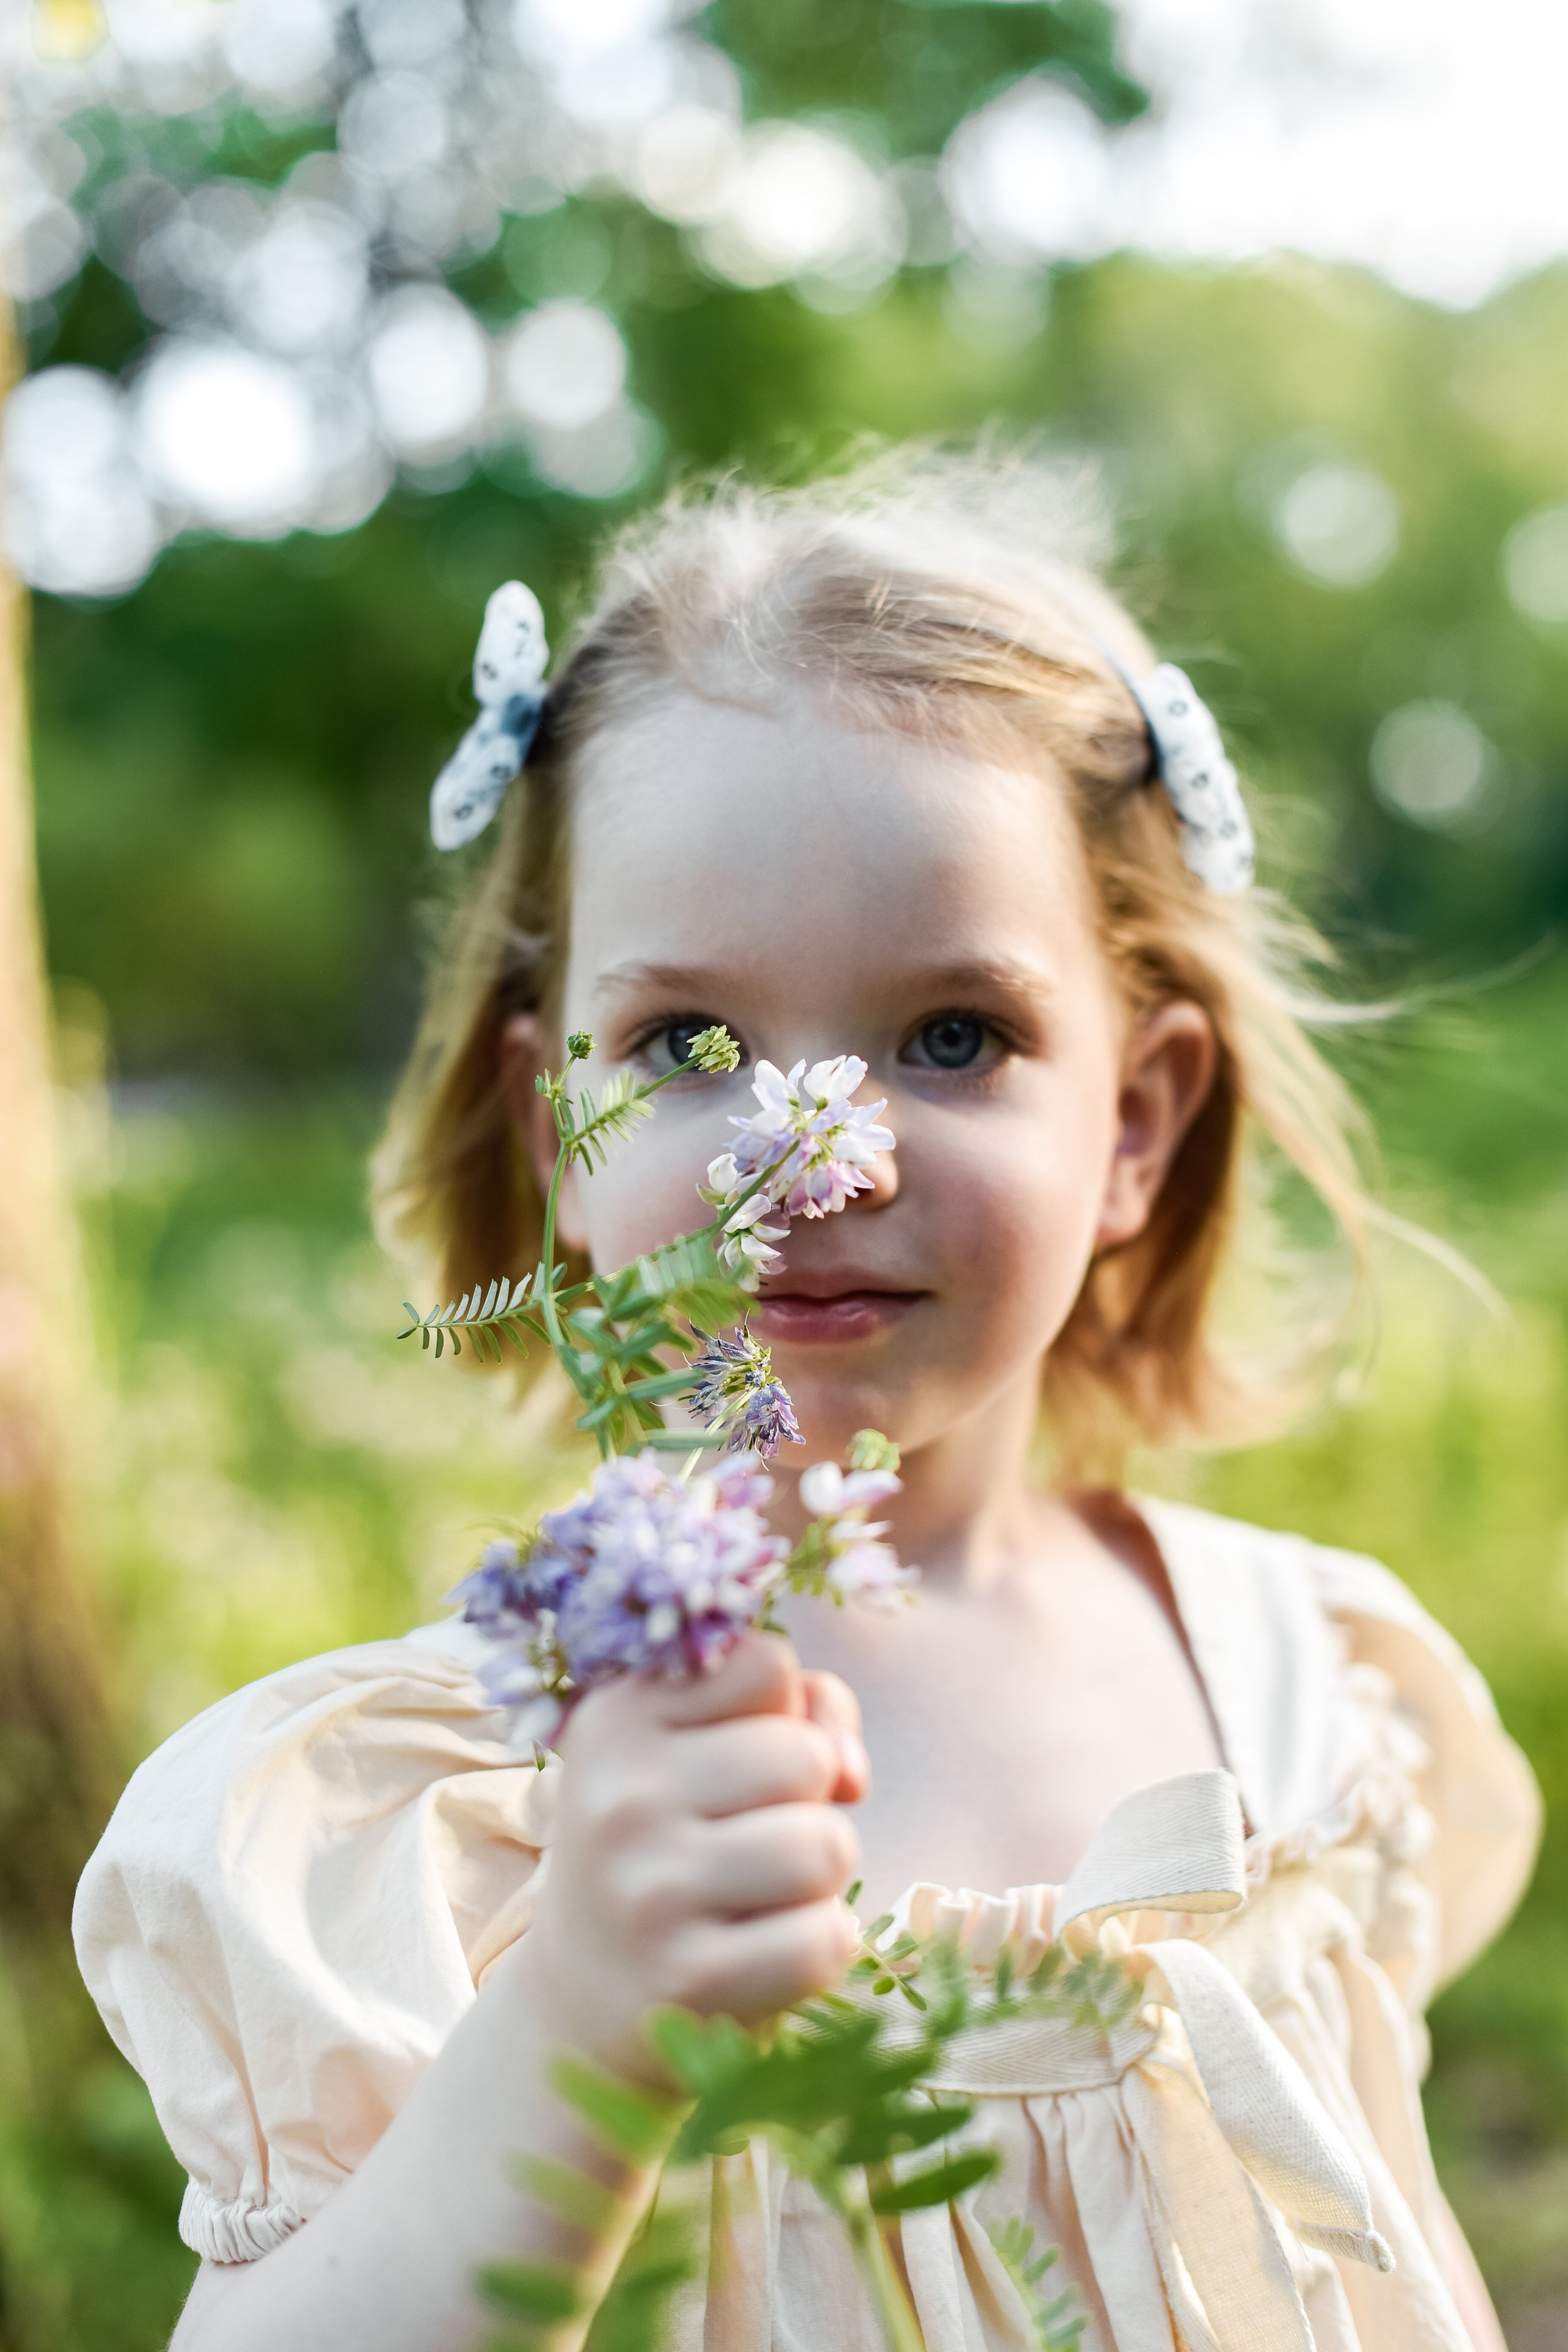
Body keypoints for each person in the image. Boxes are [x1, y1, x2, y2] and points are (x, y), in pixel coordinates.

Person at [75, 457, 1539, 2352]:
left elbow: (1388, 2242)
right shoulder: (460, 1804)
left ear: (1136, 1121)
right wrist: (575, 2019)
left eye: (953, 1037)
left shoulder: (1303, 1678)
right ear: (556, 1130)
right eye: (689, 1045)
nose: (811, 1159)